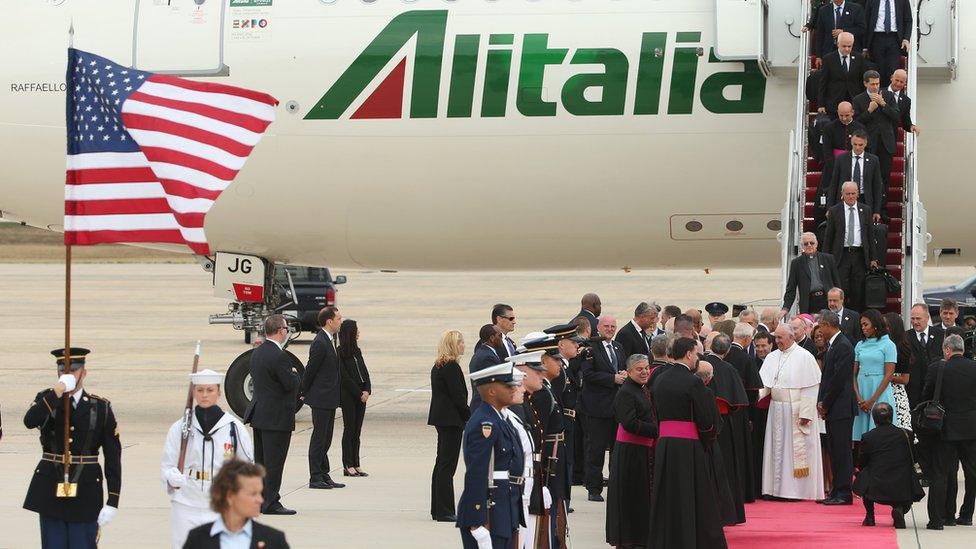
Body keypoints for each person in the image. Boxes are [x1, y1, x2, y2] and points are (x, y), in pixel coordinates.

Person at [23, 348, 121, 548]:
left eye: (74, 371)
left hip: (86, 491)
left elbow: (113, 457)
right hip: (50, 488)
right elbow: (30, 420)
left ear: (84, 373)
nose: (68, 375)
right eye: (63, 371)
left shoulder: (100, 407)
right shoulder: (48, 400)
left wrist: (113, 499)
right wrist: (57, 391)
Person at [648, 337, 727, 549]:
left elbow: (655, 413)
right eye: (696, 354)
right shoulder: (693, 382)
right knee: (693, 496)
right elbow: (705, 420)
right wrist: (708, 439)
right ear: (689, 354)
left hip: (665, 444)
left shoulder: (659, 379)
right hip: (688, 446)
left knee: (668, 494)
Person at [163, 369, 254, 549]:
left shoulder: (233, 428)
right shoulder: (179, 428)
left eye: (210, 390)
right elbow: (168, 463)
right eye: (200, 390)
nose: (205, 395)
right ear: (194, 393)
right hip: (186, 502)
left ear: (218, 393)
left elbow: (248, 468)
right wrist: (170, 477)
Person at [456, 363, 523, 549]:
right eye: (508, 386)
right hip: (488, 512)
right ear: (492, 391)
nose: (513, 389)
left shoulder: (499, 419)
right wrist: (476, 521)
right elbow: (477, 473)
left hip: (501, 508)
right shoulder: (485, 423)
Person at [759, 324, 825, 500]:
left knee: (792, 452)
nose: (777, 341)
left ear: (791, 337)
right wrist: (752, 398)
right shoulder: (772, 357)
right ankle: (774, 489)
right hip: (776, 409)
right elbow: (765, 385)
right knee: (776, 450)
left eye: (780, 338)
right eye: (776, 338)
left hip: (795, 410)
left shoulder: (805, 357)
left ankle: (794, 491)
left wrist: (805, 413)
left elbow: (811, 387)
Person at [921, 334, 976, 530]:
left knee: (941, 473)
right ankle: (967, 514)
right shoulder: (974, 368)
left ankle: (938, 519)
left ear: (947, 349)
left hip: (944, 428)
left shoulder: (938, 368)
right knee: (972, 473)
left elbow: (926, 395)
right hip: (971, 429)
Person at [249, 315, 302, 514]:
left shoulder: (258, 352)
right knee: (275, 462)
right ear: (280, 331)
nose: (287, 331)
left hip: (260, 415)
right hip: (276, 418)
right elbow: (289, 384)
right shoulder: (279, 355)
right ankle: (270, 502)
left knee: (261, 461)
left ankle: (262, 498)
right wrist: (295, 374)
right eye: (286, 328)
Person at [606, 354, 657, 549]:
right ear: (628, 372)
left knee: (641, 498)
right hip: (631, 453)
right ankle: (631, 539)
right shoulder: (626, 392)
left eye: (646, 368)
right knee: (632, 498)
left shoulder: (642, 388)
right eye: (639, 369)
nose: (644, 372)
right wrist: (657, 430)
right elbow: (629, 423)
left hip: (643, 450)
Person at [182, 459, 289, 548]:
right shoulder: (197, 540)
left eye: (260, 493)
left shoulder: (275, 541)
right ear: (229, 496)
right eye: (253, 494)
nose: (260, 500)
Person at [703, 333, 753, 514]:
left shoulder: (700, 365)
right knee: (726, 468)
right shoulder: (729, 369)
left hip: (702, 425)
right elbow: (736, 403)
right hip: (724, 426)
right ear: (728, 350)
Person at [853, 402, 923, 528]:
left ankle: (870, 516)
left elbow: (862, 462)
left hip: (876, 484)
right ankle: (899, 508)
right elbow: (914, 457)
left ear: (874, 419)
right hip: (901, 483)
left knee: (864, 473)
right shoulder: (907, 434)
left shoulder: (868, 437)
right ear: (892, 417)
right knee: (908, 474)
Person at [816, 311, 858, 505]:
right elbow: (826, 378)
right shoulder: (834, 345)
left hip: (841, 407)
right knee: (834, 450)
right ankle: (836, 489)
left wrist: (826, 402)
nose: (819, 330)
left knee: (842, 450)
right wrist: (821, 401)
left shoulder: (843, 346)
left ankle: (844, 492)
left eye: (821, 326)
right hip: (834, 407)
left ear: (827, 325)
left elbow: (838, 380)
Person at [302, 306, 346, 491]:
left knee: (326, 437)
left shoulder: (329, 340)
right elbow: (310, 369)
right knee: (319, 438)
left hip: (329, 397)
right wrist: (302, 391)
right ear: (329, 321)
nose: (340, 321)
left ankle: (324, 473)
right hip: (320, 398)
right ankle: (315, 476)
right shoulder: (320, 342)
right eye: (338, 318)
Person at [581, 316, 625, 502]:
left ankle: (616, 486)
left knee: (618, 450)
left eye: (613, 326)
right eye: (606, 326)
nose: (610, 329)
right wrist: (611, 379)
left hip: (617, 408)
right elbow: (587, 374)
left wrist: (624, 374)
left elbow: (622, 367)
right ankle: (594, 488)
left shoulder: (618, 348)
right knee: (596, 449)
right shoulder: (591, 348)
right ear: (598, 327)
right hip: (597, 408)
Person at [428, 330, 470, 522]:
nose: (463, 345)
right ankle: (445, 510)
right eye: (461, 342)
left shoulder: (439, 365)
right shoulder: (451, 367)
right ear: (453, 345)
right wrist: (468, 416)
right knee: (447, 465)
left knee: (441, 463)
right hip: (451, 420)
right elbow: (458, 397)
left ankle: (438, 508)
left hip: (442, 419)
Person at [824, 182, 878, 313]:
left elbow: (870, 236)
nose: (851, 196)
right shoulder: (834, 211)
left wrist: (873, 258)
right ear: (842, 195)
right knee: (841, 288)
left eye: (853, 193)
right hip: (841, 256)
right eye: (848, 194)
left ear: (858, 194)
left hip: (859, 255)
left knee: (858, 290)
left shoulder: (865, 210)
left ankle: (856, 318)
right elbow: (829, 237)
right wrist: (825, 259)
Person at [852, 309, 898, 442]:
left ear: (875, 324)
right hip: (862, 392)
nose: (863, 328)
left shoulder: (889, 345)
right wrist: (859, 398)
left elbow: (889, 374)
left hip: (880, 391)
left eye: (866, 324)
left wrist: (872, 400)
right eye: (861, 325)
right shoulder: (859, 345)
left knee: (881, 436)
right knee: (861, 437)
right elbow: (853, 374)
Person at [853, 70, 900, 195]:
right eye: (872, 84)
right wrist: (869, 111)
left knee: (885, 178)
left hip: (886, 144)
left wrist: (883, 104)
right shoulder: (858, 99)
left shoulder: (888, 96)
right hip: (869, 144)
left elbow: (896, 117)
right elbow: (856, 123)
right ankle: (869, 210)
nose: (875, 87)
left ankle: (882, 211)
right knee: (868, 178)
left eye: (877, 84)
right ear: (865, 84)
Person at [337, 319, 371, 478]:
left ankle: (356, 463)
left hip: (361, 396)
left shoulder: (357, 351)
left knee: (357, 431)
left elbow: (364, 372)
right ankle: (347, 464)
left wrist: (367, 390)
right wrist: (359, 393)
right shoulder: (340, 352)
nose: (358, 332)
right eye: (356, 329)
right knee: (349, 429)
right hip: (349, 396)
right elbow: (345, 378)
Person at [782, 232, 842, 315]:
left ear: (816, 244)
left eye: (812, 243)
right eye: (806, 244)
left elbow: (837, 283)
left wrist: (840, 302)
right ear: (802, 246)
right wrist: (785, 308)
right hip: (809, 303)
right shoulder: (796, 263)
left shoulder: (828, 259)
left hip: (827, 300)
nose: (809, 245)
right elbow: (791, 289)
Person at [828, 131, 884, 218]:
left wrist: (877, 210)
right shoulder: (841, 159)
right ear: (851, 143)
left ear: (865, 144)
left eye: (860, 145)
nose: (857, 147)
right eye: (855, 144)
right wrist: (830, 207)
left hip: (864, 199)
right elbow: (834, 183)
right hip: (845, 198)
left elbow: (877, 186)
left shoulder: (873, 160)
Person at [864, 0, 913, 89]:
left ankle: (890, 97)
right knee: (878, 70)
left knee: (892, 70)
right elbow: (866, 20)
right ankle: (879, 96)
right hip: (877, 38)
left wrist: (906, 38)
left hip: (895, 38)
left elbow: (908, 20)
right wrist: (865, 46)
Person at [818, 32, 869, 115]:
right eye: (844, 46)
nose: (847, 49)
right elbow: (823, 83)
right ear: (838, 44)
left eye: (849, 46)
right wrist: (821, 104)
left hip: (854, 100)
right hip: (834, 102)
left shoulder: (859, 58)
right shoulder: (828, 59)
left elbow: (863, 81)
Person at [882, 312, 914, 431]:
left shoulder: (902, 348)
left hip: (896, 395)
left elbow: (905, 379)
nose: (884, 329)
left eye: (886, 326)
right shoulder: (880, 345)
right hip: (880, 390)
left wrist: (886, 376)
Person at [908, 303, 943, 408]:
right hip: (913, 392)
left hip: (936, 390)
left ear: (927, 318)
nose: (915, 322)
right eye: (912, 319)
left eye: (918, 318)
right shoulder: (905, 337)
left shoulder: (941, 334)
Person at [469, 324, 504, 408]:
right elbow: (493, 385)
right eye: (500, 335)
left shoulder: (483, 353)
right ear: (492, 338)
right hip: (485, 405)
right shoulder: (487, 357)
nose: (502, 338)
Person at [888, 69, 919, 137]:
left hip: (891, 137)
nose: (898, 84)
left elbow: (906, 121)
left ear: (905, 83)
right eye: (897, 80)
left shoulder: (906, 101)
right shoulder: (878, 92)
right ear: (891, 78)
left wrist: (911, 126)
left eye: (901, 82)